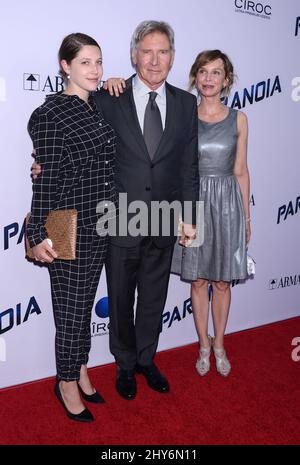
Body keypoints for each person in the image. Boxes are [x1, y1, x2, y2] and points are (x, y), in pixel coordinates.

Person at [95, 20, 199, 399]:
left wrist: (190, 217)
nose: (155, 60)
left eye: (163, 51)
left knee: (154, 294)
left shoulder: (187, 103)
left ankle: (145, 358)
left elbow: (189, 165)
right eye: (147, 51)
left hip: (166, 217)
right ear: (134, 55)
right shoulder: (109, 97)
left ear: (172, 56)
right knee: (120, 296)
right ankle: (124, 364)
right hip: (119, 214)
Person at [26, 33, 117, 422]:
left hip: (101, 219)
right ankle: (65, 381)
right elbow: (45, 180)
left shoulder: (97, 105)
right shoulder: (49, 115)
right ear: (65, 66)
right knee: (71, 310)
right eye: (85, 62)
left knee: (81, 306)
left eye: (98, 62)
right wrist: (35, 235)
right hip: (65, 222)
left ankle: (79, 367)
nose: (94, 70)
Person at [172, 50, 251, 377]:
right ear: (195, 76)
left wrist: (246, 217)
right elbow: (174, 169)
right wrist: (178, 215)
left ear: (226, 79)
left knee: (221, 282)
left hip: (228, 204)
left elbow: (242, 171)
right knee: (199, 278)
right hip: (193, 203)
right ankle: (202, 345)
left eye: (215, 72)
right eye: (203, 71)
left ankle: (219, 343)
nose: (208, 79)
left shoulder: (239, 118)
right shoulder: (184, 116)